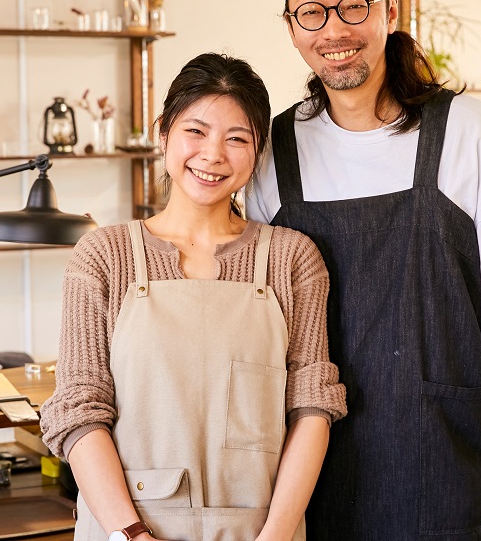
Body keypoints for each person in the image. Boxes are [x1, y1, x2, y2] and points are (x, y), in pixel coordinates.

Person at [246, 0, 481, 540]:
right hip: (309, 438)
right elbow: (262, 306)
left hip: (436, 434)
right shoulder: (276, 149)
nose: (333, 28)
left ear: (390, 12)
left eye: (354, 4)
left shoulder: (465, 130)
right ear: (293, 27)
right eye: (311, 11)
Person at [41, 52, 347, 541]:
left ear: (258, 151)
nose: (213, 155)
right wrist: (132, 534)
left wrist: (276, 535)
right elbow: (78, 410)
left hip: (258, 529)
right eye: (196, 131)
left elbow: (312, 407)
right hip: (128, 530)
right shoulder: (103, 255)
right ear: (164, 132)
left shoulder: (293, 259)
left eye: (237, 138)